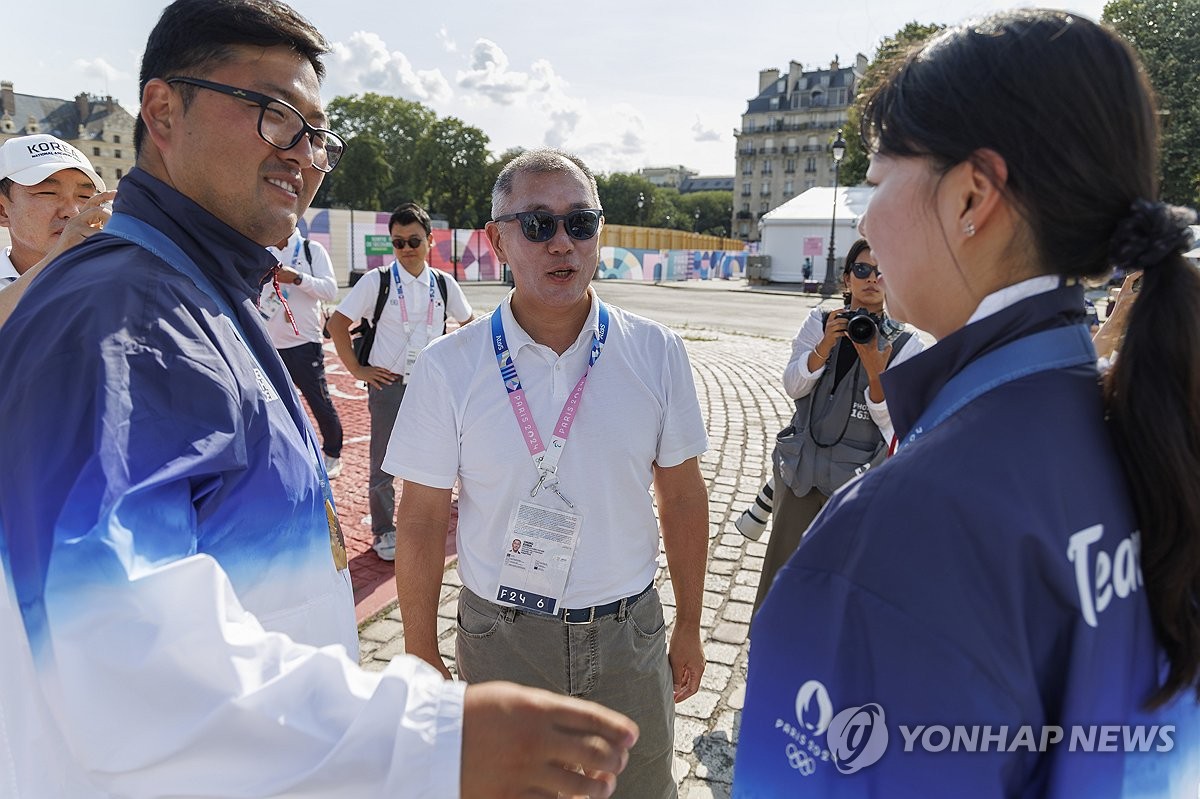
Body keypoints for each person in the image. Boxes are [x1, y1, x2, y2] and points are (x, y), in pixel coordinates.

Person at [0, 2, 637, 797]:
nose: (303, 155)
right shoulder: (120, 317)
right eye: (274, 116)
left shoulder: (188, 292)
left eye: (318, 134)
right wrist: (433, 744)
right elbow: (113, 649)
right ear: (163, 111)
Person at [734, 9, 1200, 797]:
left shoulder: (899, 529)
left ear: (971, 197)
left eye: (877, 181)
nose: (869, 218)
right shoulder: (1141, 425)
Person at [386, 148, 711, 799]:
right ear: (497, 240)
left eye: (579, 223)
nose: (561, 242)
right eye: (537, 224)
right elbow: (420, 516)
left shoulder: (656, 350)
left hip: (628, 635)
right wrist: (420, 648)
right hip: (502, 639)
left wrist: (690, 623)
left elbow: (681, 498)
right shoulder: (450, 365)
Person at [751, 239, 922, 614]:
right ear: (847, 278)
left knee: (840, 587)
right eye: (862, 270)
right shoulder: (819, 322)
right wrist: (825, 345)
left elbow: (896, 426)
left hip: (856, 488)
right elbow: (794, 386)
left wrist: (878, 373)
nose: (872, 278)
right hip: (800, 475)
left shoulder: (908, 345)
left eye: (882, 271)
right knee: (783, 582)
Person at [326, 201, 473, 561]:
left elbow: (470, 326)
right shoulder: (378, 281)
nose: (406, 249)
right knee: (384, 464)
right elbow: (337, 325)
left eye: (414, 240)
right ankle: (384, 531)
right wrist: (358, 372)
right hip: (389, 386)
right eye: (398, 242)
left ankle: (436, 519)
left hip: (434, 388)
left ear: (430, 240)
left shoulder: (443, 283)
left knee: (443, 458)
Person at [0, 134, 114, 327]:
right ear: (3, 211)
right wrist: (57, 259)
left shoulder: (114, 277)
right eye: (48, 193)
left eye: (84, 196)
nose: (72, 211)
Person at [260, 224, 344, 478]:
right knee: (272, 405)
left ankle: (332, 454)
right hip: (268, 341)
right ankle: (284, 454)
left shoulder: (311, 250)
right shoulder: (262, 249)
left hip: (305, 342)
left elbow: (330, 290)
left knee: (318, 400)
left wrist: (297, 278)